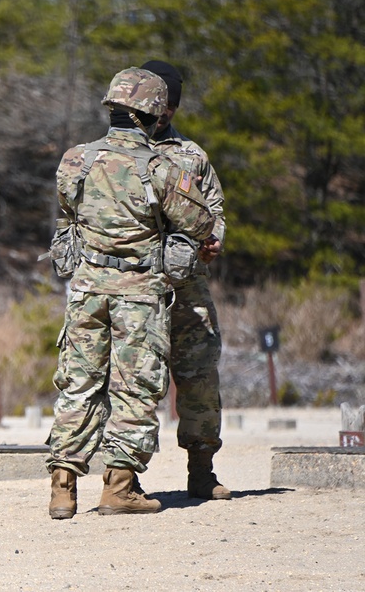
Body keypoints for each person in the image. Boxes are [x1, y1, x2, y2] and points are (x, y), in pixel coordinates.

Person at [45, 68, 215, 519]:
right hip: (138, 294)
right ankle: (118, 488)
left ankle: (62, 488)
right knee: (134, 389)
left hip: (85, 289)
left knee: (78, 385)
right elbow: (201, 223)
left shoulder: (75, 159)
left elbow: (69, 213)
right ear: (155, 112)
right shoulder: (161, 168)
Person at [141, 59, 231, 501]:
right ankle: (124, 477)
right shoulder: (117, 153)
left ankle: (201, 469)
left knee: (199, 376)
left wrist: (215, 239)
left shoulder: (192, 155)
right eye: (162, 104)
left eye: (173, 106)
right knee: (134, 379)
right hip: (136, 286)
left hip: (189, 287)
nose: (167, 113)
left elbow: (216, 213)